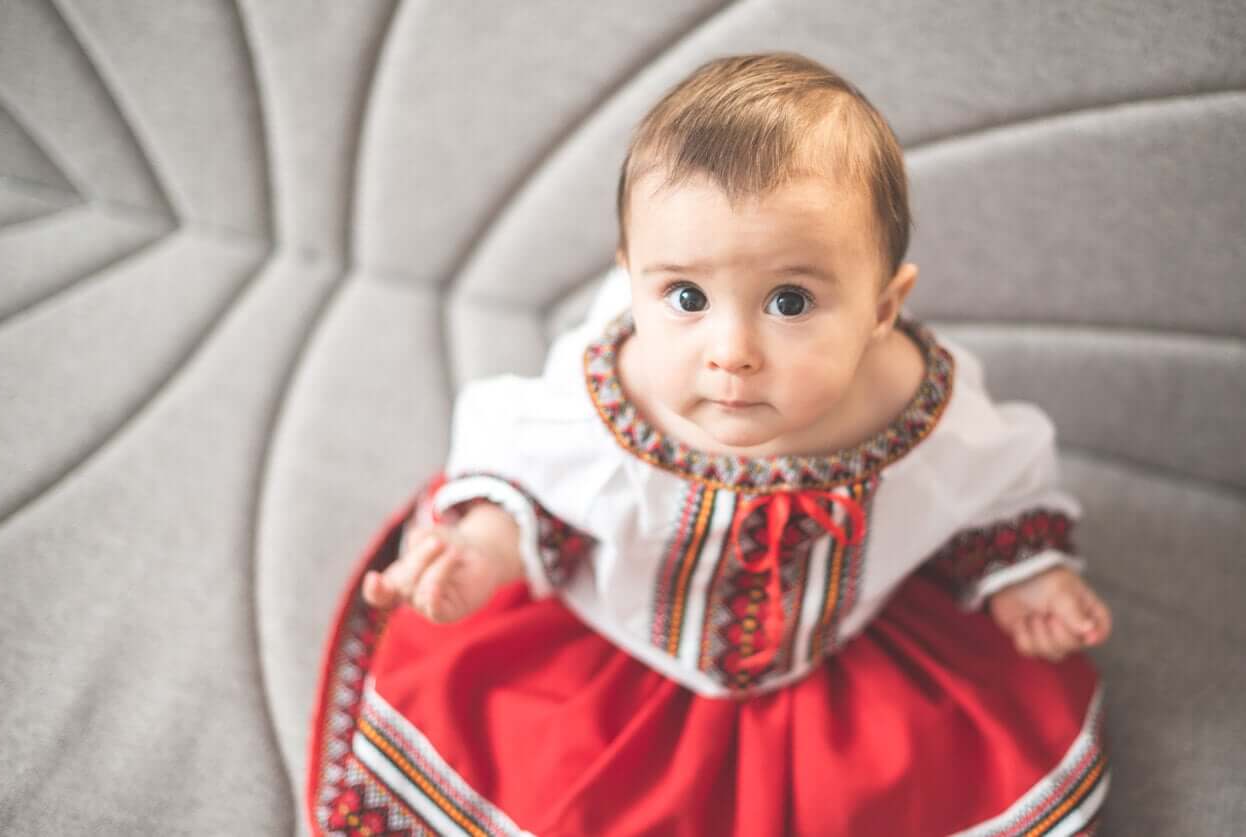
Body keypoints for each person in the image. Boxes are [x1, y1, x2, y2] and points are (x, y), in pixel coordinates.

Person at [308, 52, 1113, 836]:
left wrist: (1023, 576)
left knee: (908, 786)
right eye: (686, 296)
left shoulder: (922, 407)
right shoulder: (609, 402)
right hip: (617, 652)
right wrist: (483, 551)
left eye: (790, 301)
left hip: (841, 660)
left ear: (882, 307)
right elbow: (537, 482)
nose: (731, 351)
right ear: (631, 282)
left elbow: (991, 484)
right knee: (553, 785)